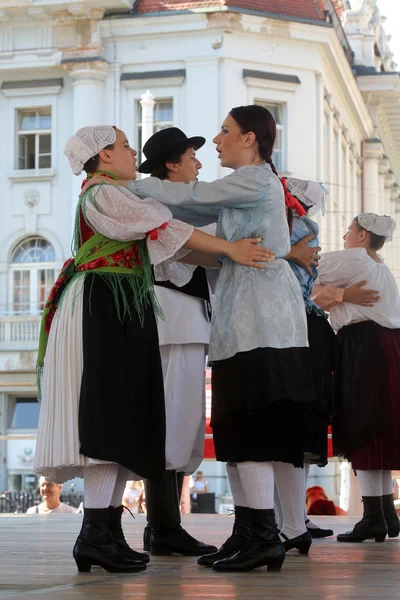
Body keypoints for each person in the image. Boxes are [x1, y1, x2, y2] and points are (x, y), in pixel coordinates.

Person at [83, 105, 316, 573]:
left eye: (226, 131)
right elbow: (194, 215)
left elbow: (193, 197)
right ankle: (253, 531)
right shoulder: (243, 188)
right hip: (241, 316)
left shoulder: (253, 180)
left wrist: (126, 184)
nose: (217, 139)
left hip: (261, 320)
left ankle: (263, 535)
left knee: (252, 423)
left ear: (250, 139)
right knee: (237, 424)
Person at [34, 125, 273, 575]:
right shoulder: (104, 194)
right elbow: (166, 229)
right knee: (110, 414)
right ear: (104, 155)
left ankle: (101, 534)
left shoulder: (113, 194)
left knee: (120, 416)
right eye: (125, 146)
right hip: (104, 302)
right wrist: (229, 248)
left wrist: (232, 253)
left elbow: (170, 243)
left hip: (120, 302)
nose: (131, 153)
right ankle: (97, 534)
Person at [139, 128, 217, 557]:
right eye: (191, 156)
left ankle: (166, 525)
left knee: (182, 421)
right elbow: (182, 252)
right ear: (171, 164)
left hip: (183, 318)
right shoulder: (161, 203)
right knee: (175, 420)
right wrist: (234, 250)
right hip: (174, 316)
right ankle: (164, 525)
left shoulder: (176, 202)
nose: (198, 164)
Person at [316, 213, 400, 543]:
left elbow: (306, 271)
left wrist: (337, 295)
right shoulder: (382, 267)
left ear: (362, 235)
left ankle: (374, 517)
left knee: (363, 422)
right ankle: (384, 514)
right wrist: (341, 295)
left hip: (363, 345)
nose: (345, 236)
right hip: (387, 345)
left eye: (350, 230)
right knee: (378, 424)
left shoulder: (355, 259)